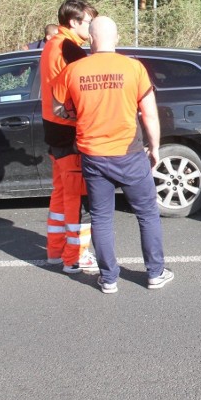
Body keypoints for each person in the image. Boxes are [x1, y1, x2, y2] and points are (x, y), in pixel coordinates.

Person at [52, 16, 172, 294]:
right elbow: (150, 115)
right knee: (147, 214)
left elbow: (59, 108)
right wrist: (154, 147)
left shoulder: (73, 70)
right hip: (130, 154)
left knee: (102, 218)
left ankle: (108, 279)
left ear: (91, 39)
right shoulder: (134, 68)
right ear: (116, 38)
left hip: (93, 156)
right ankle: (155, 273)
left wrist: (76, 113)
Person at [40, 0, 97, 274]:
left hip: (54, 129)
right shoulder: (69, 48)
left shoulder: (52, 44)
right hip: (70, 130)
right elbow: (81, 90)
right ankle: (75, 256)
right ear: (74, 22)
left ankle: (55, 250)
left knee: (61, 194)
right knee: (77, 196)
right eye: (89, 22)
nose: (92, 27)